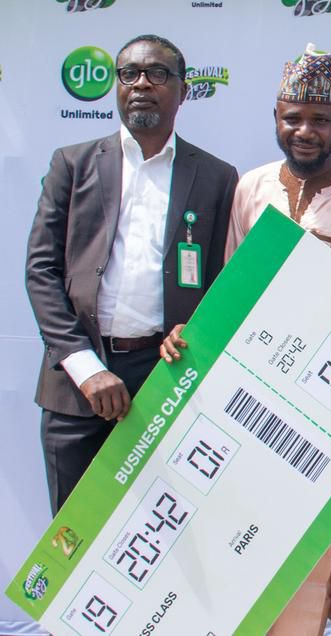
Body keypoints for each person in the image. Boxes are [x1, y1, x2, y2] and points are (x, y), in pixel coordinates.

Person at [160, 44, 331, 636]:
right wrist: (190, 337)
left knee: (308, 546)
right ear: (276, 117)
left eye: (320, 120)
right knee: (240, 538)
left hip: (326, 408)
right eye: (292, 117)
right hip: (250, 400)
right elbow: (228, 292)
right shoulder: (249, 189)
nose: (305, 131)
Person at [25, 34, 236, 515]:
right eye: (128, 73)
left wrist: (196, 332)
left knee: (160, 542)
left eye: (157, 73)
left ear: (183, 91)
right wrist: (86, 367)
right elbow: (41, 270)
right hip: (76, 384)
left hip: (167, 379)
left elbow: (221, 282)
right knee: (70, 546)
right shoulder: (72, 164)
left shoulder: (216, 177)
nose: (141, 83)